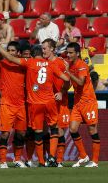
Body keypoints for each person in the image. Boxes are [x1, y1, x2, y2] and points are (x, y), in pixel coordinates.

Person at [0, 36, 69, 167]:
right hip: (49, 102)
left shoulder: (30, 62)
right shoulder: (51, 64)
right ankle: (53, 158)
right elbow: (65, 78)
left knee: (37, 133)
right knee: (54, 129)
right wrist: (60, 90)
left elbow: (10, 58)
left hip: (35, 103)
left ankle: (41, 162)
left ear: (31, 54)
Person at [65, 42, 100, 167]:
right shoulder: (70, 65)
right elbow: (71, 84)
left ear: (77, 53)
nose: (68, 55)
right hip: (77, 102)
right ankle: (84, 156)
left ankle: (95, 161)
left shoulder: (82, 65)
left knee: (92, 130)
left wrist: (68, 73)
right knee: (72, 129)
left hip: (88, 102)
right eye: (67, 52)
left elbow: (80, 82)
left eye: (71, 53)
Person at [0, 41, 27, 168]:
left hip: (21, 104)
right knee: (5, 133)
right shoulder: (3, 64)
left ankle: (17, 159)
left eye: (13, 50)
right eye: (9, 50)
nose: (10, 52)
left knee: (21, 133)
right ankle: (2, 161)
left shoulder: (24, 64)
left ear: (18, 53)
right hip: (7, 104)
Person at [42, 38, 70, 167]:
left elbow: (68, 81)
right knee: (45, 131)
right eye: (42, 48)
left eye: (45, 48)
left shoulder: (60, 63)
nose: (43, 51)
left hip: (60, 102)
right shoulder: (43, 63)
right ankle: (50, 158)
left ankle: (59, 160)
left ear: (52, 49)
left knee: (58, 131)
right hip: (47, 103)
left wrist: (61, 93)